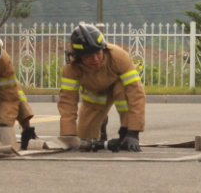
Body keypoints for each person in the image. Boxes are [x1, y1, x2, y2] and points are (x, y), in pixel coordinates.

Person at [57, 23, 146, 152]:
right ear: (78, 56)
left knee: (123, 91)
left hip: (118, 87)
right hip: (95, 95)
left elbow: (136, 94)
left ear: (103, 48)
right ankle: (101, 124)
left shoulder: (118, 56)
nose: (95, 59)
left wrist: (133, 133)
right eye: (88, 55)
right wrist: (68, 136)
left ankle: (125, 131)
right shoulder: (71, 69)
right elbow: (67, 103)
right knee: (85, 140)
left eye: (98, 53)